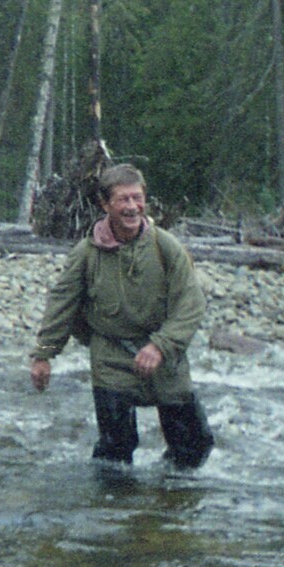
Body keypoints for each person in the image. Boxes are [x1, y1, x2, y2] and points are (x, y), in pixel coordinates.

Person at [29, 164, 215, 469]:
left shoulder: (166, 247)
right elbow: (62, 304)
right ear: (105, 205)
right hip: (111, 356)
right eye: (123, 200)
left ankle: (170, 500)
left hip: (165, 355)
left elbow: (191, 304)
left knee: (194, 446)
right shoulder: (86, 254)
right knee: (114, 454)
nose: (132, 207)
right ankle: (113, 511)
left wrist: (161, 345)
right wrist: (44, 355)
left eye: (137, 198)